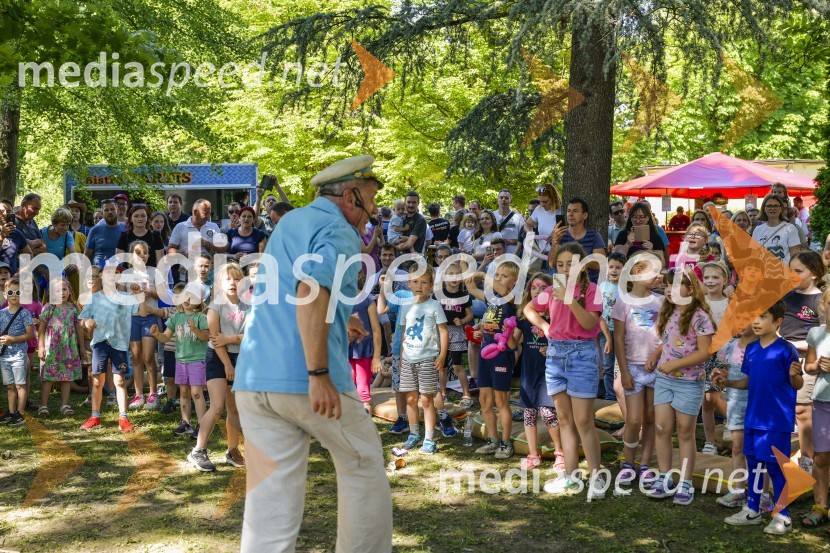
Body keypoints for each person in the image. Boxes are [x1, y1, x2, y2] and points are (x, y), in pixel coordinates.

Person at [233, 154, 392, 552]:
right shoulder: (339, 229)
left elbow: (289, 292)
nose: (373, 210)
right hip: (302, 377)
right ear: (351, 195)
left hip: (253, 377)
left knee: (270, 495)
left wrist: (342, 321)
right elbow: (309, 292)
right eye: (370, 198)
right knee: (362, 464)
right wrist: (318, 372)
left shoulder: (290, 221)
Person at [524, 243, 605, 498]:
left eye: (570, 264)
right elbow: (528, 308)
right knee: (565, 420)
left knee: (583, 421)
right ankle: (571, 476)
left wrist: (570, 300)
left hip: (582, 355)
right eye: (560, 265)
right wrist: (545, 327)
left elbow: (590, 323)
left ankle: (596, 476)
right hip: (556, 355)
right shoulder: (549, 290)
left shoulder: (593, 290)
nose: (565, 269)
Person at [717, 300, 803, 535]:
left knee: (775, 467)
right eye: (754, 316)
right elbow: (748, 381)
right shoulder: (752, 349)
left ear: (778, 322)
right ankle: (752, 509)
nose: (756, 321)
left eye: (762, 316)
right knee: (754, 465)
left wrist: (795, 375)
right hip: (753, 418)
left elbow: (798, 383)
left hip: (776, 421)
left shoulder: (787, 350)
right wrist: (729, 382)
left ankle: (782, 515)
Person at [646, 267, 715, 505]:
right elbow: (667, 341)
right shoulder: (668, 311)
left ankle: (685, 481)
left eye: (674, 286)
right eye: (666, 286)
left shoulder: (700, 317)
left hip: (689, 381)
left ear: (689, 289)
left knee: (685, 431)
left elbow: (704, 352)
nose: (668, 290)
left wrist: (675, 363)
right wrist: (656, 354)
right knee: (662, 428)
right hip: (665, 379)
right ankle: (665, 476)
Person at [381, 265, 448, 454]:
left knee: (427, 400)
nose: (419, 286)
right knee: (411, 398)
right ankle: (413, 433)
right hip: (408, 359)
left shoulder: (434, 305)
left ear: (431, 285)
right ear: (409, 283)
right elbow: (402, 332)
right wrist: (402, 356)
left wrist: (442, 355)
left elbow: (443, 331)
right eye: (415, 281)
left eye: (424, 282)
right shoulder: (406, 306)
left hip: (427, 358)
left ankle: (428, 438)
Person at [189, 263, 249, 472]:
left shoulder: (248, 306)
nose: (233, 283)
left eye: (237, 278)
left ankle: (232, 451)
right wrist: (226, 365)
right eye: (228, 279)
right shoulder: (215, 306)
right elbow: (215, 339)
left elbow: (251, 335)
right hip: (217, 358)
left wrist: (232, 339)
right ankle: (198, 450)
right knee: (216, 407)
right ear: (220, 283)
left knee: (234, 408)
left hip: (239, 358)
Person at [613, 256, 663, 489]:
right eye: (655, 271)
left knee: (651, 417)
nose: (659, 276)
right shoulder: (623, 302)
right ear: (639, 271)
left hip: (656, 368)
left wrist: (657, 356)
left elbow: (668, 334)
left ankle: (644, 463)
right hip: (632, 366)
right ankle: (628, 462)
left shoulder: (662, 302)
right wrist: (624, 371)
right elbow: (619, 338)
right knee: (634, 419)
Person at [466, 263, 520, 459]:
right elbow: (472, 289)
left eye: (503, 276)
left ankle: (506, 443)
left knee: (501, 401)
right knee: (484, 400)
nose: (498, 278)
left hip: (501, 355)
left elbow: (502, 290)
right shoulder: (492, 299)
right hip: (485, 354)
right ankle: (492, 440)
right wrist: (469, 276)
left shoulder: (513, 299)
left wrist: (484, 275)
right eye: (496, 274)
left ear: (514, 282)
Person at [79, 267, 142, 432]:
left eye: (116, 273)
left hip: (119, 344)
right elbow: (82, 319)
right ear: (101, 276)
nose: (112, 276)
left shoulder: (127, 298)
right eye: (108, 272)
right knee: (97, 381)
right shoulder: (94, 298)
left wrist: (139, 295)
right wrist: (86, 322)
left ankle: (123, 418)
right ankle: (95, 416)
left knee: (119, 381)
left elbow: (141, 312)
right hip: (100, 342)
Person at [513, 272, 564, 472]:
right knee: (529, 413)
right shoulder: (525, 317)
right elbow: (512, 343)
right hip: (529, 372)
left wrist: (550, 347)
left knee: (547, 412)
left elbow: (564, 341)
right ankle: (533, 455)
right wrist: (505, 332)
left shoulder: (557, 316)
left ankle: (560, 453)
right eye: (534, 288)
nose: (538, 291)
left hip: (549, 372)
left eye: (543, 288)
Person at [780, 251, 825, 476]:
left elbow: (824, 338)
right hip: (780, 358)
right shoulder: (787, 295)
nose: (793, 274)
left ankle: (807, 459)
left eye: (798, 271)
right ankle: (779, 457)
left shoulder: (821, 301)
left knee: (802, 409)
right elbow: (777, 322)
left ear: (815, 274)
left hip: (803, 361)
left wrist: (795, 345)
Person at [151, 282, 209, 439]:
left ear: (200, 301)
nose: (188, 299)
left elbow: (206, 337)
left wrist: (195, 329)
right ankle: (186, 423)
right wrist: (157, 334)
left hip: (197, 359)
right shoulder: (176, 316)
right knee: (183, 392)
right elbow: (165, 337)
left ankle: (202, 425)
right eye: (186, 295)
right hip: (181, 361)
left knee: (196, 393)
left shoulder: (201, 318)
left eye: (193, 297)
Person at [714, 321, 755, 508]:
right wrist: (721, 374)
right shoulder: (730, 346)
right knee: (737, 447)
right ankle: (738, 490)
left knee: (757, 449)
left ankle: (759, 492)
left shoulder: (762, 347)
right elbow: (730, 371)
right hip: (735, 402)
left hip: (757, 403)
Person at [802, 287, 830, 528]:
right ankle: (820, 506)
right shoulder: (816, 333)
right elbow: (808, 367)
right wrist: (819, 366)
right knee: (821, 457)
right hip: (822, 403)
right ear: (824, 306)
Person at [37, 278, 83, 417]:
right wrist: (41, 347)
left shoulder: (73, 308)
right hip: (52, 347)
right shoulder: (49, 307)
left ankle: (64, 404)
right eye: (57, 290)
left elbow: (78, 327)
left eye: (64, 289)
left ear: (69, 291)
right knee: (48, 377)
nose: (61, 293)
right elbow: (42, 328)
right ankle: (43, 405)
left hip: (69, 348)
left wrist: (81, 347)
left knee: (66, 377)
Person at [700, 262, 730, 455]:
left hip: (727, 355)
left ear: (725, 280)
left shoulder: (731, 303)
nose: (710, 281)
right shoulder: (699, 302)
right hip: (704, 356)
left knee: (724, 396)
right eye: (707, 277)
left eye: (715, 277)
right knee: (707, 400)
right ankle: (710, 441)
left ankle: (731, 424)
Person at [435, 262, 473, 408]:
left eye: (457, 274)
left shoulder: (464, 295)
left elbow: (469, 314)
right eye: (450, 274)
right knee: (442, 366)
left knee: (457, 365)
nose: (454, 277)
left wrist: (462, 320)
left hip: (456, 332)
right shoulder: (438, 293)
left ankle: (466, 394)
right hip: (441, 332)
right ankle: (442, 393)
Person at [0, 277, 35, 427]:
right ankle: (11, 411)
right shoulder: (1, 313)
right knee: (10, 386)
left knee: (20, 384)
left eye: (18, 292)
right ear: (4, 294)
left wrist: (12, 339)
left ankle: (20, 413)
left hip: (19, 354)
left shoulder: (25, 314)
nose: (14, 295)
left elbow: (30, 335)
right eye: (11, 292)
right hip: (4, 356)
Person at [348, 271, 383, 413]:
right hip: (345, 350)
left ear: (359, 275)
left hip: (364, 350)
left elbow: (376, 330)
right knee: (348, 383)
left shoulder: (367, 300)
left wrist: (376, 357)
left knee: (363, 386)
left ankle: (365, 409)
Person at [549, 198, 606, 283]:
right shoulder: (559, 235)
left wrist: (580, 261)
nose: (570, 214)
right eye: (568, 211)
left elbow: (601, 264)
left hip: (587, 283)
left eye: (575, 211)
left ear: (585, 215)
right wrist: (555, 242)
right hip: (562, 283)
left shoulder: (594, 236)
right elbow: (552, 264)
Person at [168, 199, 221, 282]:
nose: (208, 217)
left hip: (209, 275)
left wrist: (207, 244)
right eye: (205, 213)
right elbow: (170, 251)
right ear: (195, 212)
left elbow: (222, 249)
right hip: (186, 276)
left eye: (210, 213)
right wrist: (185, 253)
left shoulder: (213, 226)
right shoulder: (181, 227)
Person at [598, 253, 623, 401]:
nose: (614, 270)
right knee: (607, 365)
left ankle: (621, 393)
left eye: (618, 267)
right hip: (604, 331)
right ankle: (610, 396)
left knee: (620, 365)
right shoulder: (602, 286)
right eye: (611, 267)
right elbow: (597, 311)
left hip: (622, 332)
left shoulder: (627, 287)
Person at [613, 201, 668, 267]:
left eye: (642, 217)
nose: (638, 220)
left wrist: (651, 251)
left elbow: (662, 264)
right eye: (635, 217)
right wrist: (627, 245)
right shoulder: (623, 234)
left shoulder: (655, 237)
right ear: (630, 218)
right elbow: (614, 261)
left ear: (648, 218)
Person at [751, 194, 800, 267]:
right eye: (769, 206)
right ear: (764, 208)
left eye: (776, 206)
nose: (773, 208)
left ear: (781, 209)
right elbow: (753, 255)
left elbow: (795, 256)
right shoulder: (758, 230)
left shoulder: (790, 229)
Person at [524, 183, 561, 271]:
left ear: (554, 198)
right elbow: (527, 224)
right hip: (541, 255)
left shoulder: (561, 210)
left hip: (557, 255)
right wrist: (530, 233)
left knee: (556, 284)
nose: (542, 204)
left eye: (545, 201)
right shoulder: (539, 209)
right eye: (540, 201)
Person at [85, 199, 124, 269]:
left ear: (117, 210)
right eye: (106, 210)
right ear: (102, 213)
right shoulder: (94, 230)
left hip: (121, 274)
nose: (110, 212)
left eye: (112, 209)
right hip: (99, 274)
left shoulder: (126, 228)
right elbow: (86, 256)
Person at [0, 202, 31, 275]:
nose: (5, 214)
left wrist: (21, 270)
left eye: (8, 212)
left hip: (11, 281)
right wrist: (2, 236)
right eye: (1, 211)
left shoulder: (16, 233)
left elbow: (28, 253)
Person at [495, 189, 525, 254]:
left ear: (510, 200)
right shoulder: (492, 216)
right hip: (495, 256)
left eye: (506, 198)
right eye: (501, 197)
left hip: (512, 256)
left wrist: (509, 241)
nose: (503, 199)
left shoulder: (518, 217)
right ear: (498, 200)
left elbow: (525, 238)